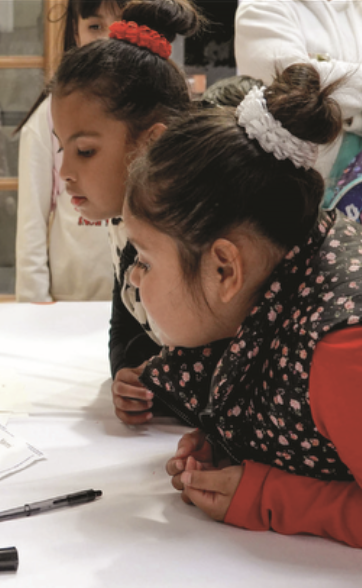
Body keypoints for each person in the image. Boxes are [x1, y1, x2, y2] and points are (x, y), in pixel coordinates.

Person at [123, 62, 362, 546]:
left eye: (145, 259)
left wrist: (271, 495)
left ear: (224, 270)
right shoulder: (283, 279)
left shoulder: (341, 352)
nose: (133, 275)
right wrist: (240, 447)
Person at [47, 0, 204, 424]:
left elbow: (226, 364)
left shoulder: (198, 233)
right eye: (63, 149)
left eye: (85, 151)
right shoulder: (125, 218)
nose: (65, 173)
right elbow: (128, 323)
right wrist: (129, 375)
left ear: (149, 144)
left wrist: (160, 384)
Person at [14, 0, 124, 303]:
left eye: (120, 24)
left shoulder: (149, 111)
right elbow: (31, 222)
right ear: (75, 34)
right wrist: (33, 301)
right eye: (95, 26)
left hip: (144, 305)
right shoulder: (47, 117)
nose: (108, 38)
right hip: (71, 299)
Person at [235, 0, 362, 221]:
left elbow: (316, 85)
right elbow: (293, 86)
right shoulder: (261, 7)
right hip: (290, 186)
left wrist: (331, 78)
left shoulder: (355, 8)